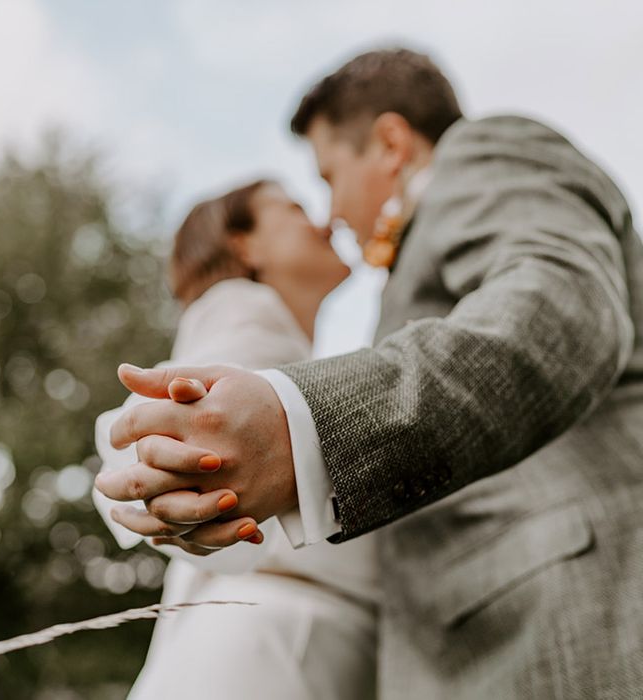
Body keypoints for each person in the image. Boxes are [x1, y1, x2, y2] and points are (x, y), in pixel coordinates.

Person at [96, 47, 643, 698]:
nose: (330, 212)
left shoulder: (486, 155)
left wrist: (306, 430)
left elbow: (556, 311)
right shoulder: (271, 308)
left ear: (389, 143)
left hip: (556, 629)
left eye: (329, 176)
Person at [94, 179, 379, 699]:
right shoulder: (241, 308)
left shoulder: (282, 337)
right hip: (271, 647)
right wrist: (163, 472)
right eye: (295, 209)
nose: (324, 221)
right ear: (243, 243)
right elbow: (148, 417)